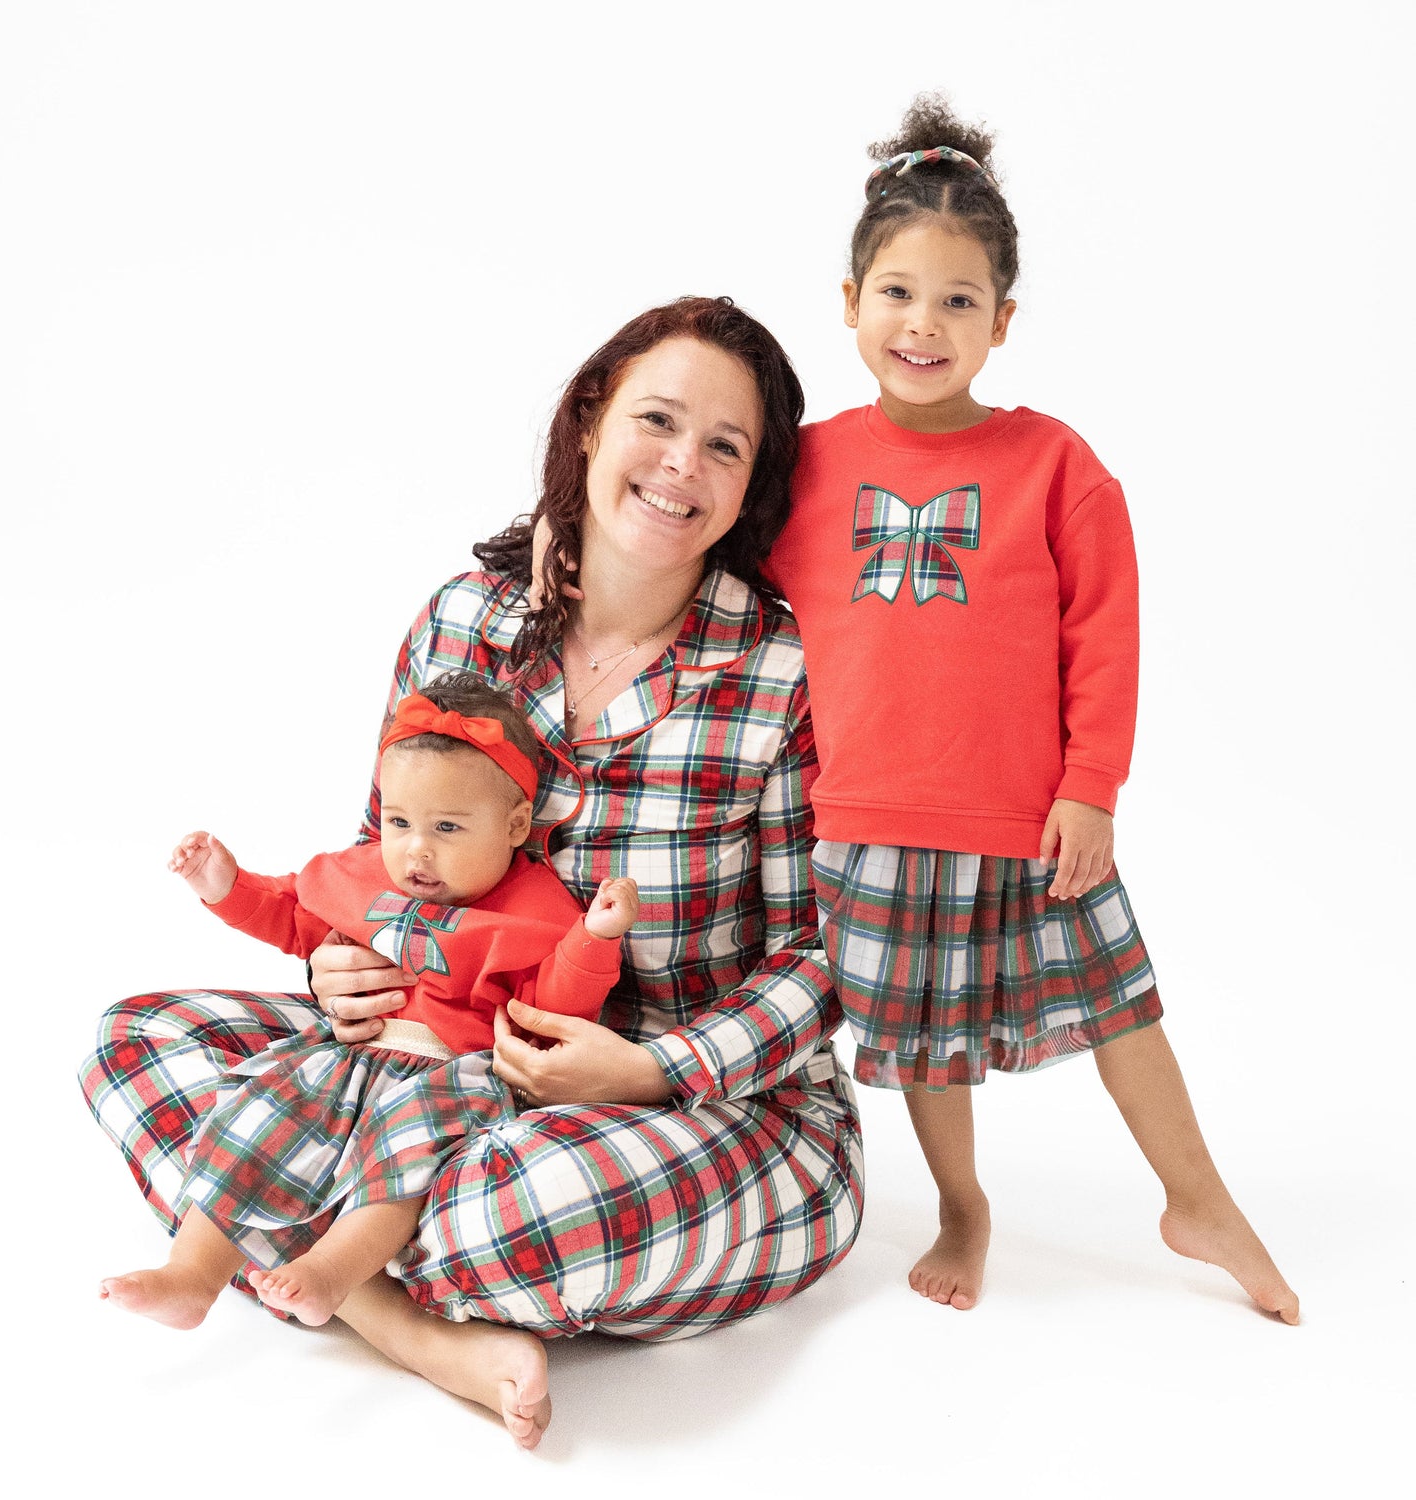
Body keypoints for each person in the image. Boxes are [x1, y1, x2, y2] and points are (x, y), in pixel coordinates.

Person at [79, 297, 863, 1451]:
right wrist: (341, 970)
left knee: (518, 1213)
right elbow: (379, 860)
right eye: (657, 420)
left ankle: (331, 1246)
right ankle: (415, 1328)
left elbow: (827, 953)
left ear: (753, 487)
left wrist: (654, 1070)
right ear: (591, 422)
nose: (681, 465)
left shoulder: (786, 672)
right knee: (134, 1043)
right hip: (428, 1057)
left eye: (725, 446)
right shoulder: (461, 620)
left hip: (705, 1105)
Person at [768, 94, 1298, 1320]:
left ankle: (1198, 1198)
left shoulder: (1057, 466)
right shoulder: (808, 464)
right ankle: (963, 1204)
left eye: (959, 300)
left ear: (1003, 322)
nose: (924, 323)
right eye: (898, 292)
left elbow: (1104, 637)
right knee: (922, 1045)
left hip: (1029, 818)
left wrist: (1090, 788)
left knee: (1124, 1008)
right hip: (867, 818)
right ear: (849, 302)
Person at [99, 676, 636, 1334]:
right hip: (347, 1052)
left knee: (405, 1152)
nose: (416, 849)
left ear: (515, 825)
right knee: (259, 1119)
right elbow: (293, 914)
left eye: (447, 827)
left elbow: (550, 1008)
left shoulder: (533, 906)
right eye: (400, 822)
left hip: (450, 1071)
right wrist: (225, 885)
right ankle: (191, 1275)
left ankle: (331, 1273)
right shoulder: (366, 874)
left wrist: (593, 941)